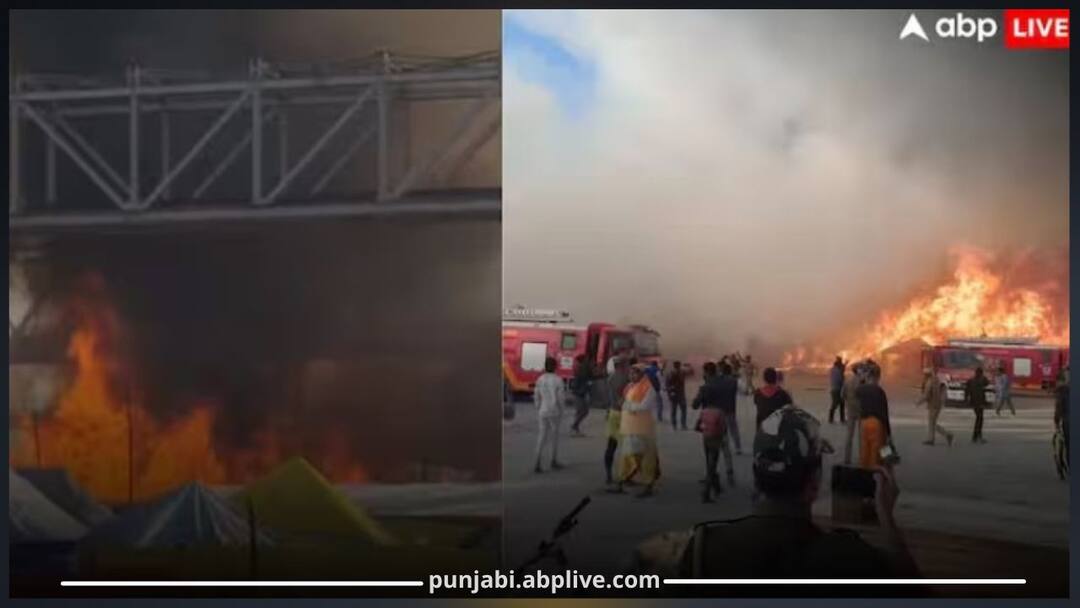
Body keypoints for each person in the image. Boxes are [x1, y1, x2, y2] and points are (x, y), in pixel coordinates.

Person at [686, 405, 920, 581]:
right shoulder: (849, 559)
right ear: (814, 484)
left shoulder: (702, 550)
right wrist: (886, 517)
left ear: (756, 477)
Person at [612, 363, 661, 497]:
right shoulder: (629, 386)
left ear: (642, 374)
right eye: (631, 373)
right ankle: (622, 481)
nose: (632, 375)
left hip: (643, 428)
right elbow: (622, 402)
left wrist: (628, 406)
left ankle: (648, 485)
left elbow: (645, 406)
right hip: (629, 427)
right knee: (626, 456)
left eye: (635, 373)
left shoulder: (649, 388)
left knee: (646, 457)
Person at [692, 362, 738, 502]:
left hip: (709, 422)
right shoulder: (728, 382)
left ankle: (707, 489)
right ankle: (717, 483)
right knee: (719, 451)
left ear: (706, 372)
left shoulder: (706, 387)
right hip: (722, 419)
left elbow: (695, 405)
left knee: (710, 455)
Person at [533, 356, 566, 473]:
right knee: (554, 437)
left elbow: (536, 395)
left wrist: (538, 407)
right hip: (554, 411)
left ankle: (537, 462)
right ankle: (553, 460)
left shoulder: (540, 379)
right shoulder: (558, 380)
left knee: (541, 436)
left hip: (543, 410)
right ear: (555, 367)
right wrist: (562, 410)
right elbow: (560, 398)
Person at [856, 365, 892, 468]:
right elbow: (884, 413)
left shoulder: (861, 389)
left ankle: (864, 471)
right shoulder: (880, 391)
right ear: (878, 377)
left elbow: (856, 392)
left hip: (864, 424)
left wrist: (862, 379)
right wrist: (888, 433)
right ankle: (875, 471)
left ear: (868, 376)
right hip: (877, 424)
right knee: (877, 453)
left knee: (864, 451)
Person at [604, 357, 631, 485]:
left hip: (612, 412)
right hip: (624, 414)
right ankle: (626, 475)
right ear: (622, 365)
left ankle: (608, 475)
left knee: (611, 445)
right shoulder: (627, 379)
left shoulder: (610, 379)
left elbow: (608, 398)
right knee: (628, 446)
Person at [915, 369, 954, 446]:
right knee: (932, 423)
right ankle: (933, 438)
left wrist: (918, 402)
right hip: (937, 404)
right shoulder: (937, 380)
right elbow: (943, 391)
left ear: (927, 375)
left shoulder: (930, 382)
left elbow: (926, 395)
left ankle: (945, 435)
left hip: (933, 405)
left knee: (932, 423)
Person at [841, 362, 864, 464]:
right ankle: (862, 457)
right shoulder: (862, 381)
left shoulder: (847, 380)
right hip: (860, 410)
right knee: (861, 436)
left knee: (849, 435)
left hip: (850, 410)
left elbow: (842, 395)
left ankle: (847, 458)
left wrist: (848, 402)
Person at [965, 367, 990, 444]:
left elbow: (967, 390)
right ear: (981, 373)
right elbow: (987, 383)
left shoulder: (971, 380)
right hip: (980, 402)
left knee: (978, 418)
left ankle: (976, 436)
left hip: (974, 402)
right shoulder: (982, 380)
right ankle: (977, 436)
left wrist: (966, 399)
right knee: (979, 419)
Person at [569, 355, 592, 436]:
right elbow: (582, 382)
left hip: (579, 393)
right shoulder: (581, 369)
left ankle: (575, 429)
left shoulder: (580, 369)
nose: (588, 361)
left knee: (581, 411)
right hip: (579, 393)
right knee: (583, 411)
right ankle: (574, 426)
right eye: (586, 359)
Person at [666, 360, 690, 431]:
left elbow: (667, 384)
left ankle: (675, 425)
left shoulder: (671, 373)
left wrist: (669, 393)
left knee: (674, 410)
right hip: (679, 394)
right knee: (682, 410)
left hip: (675, 394)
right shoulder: (679, 373)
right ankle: (682, 425)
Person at [828, 356, 846, 424]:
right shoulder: (838, 371)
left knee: (841, 404)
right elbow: (840, 380)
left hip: (835, 389)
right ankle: (832, 419)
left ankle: (840, 419)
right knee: (836, 404)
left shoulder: (833, 370)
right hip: (837, 390)